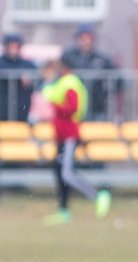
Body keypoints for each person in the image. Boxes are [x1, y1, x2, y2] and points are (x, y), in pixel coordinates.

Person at [39, 58, 111, 224]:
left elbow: (72, 108)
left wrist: (55, 104)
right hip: (61, 136)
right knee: (60, 173)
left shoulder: (68, 83)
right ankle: (63, 210)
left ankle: (98, 195)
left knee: (67, 173)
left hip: (69, 135)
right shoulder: (61, 83)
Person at [60, 24, 117, 121]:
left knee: (96, 133)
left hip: (97, 105)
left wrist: (106, 90)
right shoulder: (68, 57)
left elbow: (115, 77)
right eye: (83, 38)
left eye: (88, 37)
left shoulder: (102, 59)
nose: (86, 41)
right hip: (75, 105)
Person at [0, 33, 37, 124]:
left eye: (16, 46)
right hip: (3, 105)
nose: (13, 48)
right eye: (11, 46)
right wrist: (17, 76)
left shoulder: (27, 64)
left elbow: (35, 81)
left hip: (22, 106)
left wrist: (27, 81)